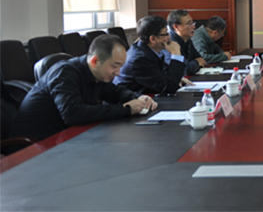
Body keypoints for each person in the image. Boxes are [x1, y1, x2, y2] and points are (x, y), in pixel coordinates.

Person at [11, 35, 156, 141]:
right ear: (95, 61)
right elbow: (73, 114)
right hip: (35, 144)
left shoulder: (98, 74)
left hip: (66, 137)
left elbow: (116, 92)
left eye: (120, 67)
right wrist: (125, 109)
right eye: (114, 66)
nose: (118, 73)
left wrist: (139, 98)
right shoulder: (65, 74)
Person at [114, 16, 193, 94]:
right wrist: (176, 55)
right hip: (132, 100)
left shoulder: (149, 50)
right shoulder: (140, 60)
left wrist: (177, 79)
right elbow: (169, 87)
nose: (169, 37)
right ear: (153, 39)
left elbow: (163, 76)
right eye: (166, 34)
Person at [167, 9, 206, 76]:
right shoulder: (171, 43)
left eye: (193, 23)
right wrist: (196, 62)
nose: (193, 27)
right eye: (189, 23)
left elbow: (201, 59)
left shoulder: (188, 40)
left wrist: (193, 63)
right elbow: (186, 70)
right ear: (176, 27)